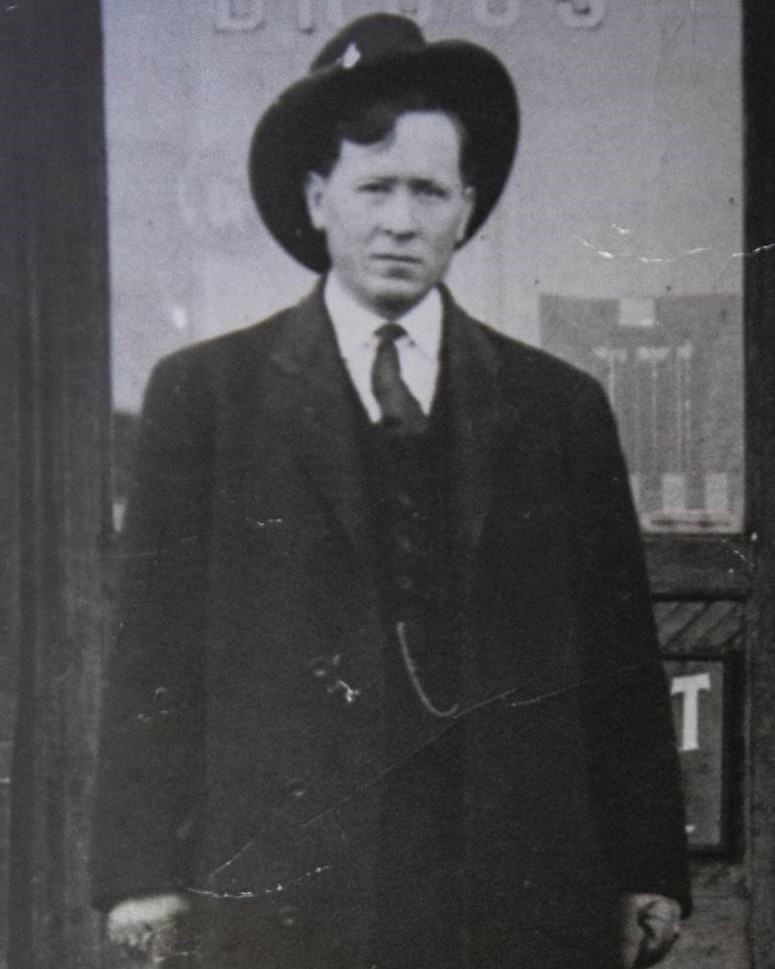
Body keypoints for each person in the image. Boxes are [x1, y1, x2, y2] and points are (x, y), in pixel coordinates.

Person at [92, 14, 691, 969]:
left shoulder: (557, 408)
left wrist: (648, 863)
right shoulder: (206, 398)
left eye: (428, 191)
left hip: (510, 886)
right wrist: (138, 870)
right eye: (374, 189)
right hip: (289, 886)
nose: (400, 222)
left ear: (466, 208)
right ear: (318, 199)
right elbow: (152, 655)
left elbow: (617, 658)